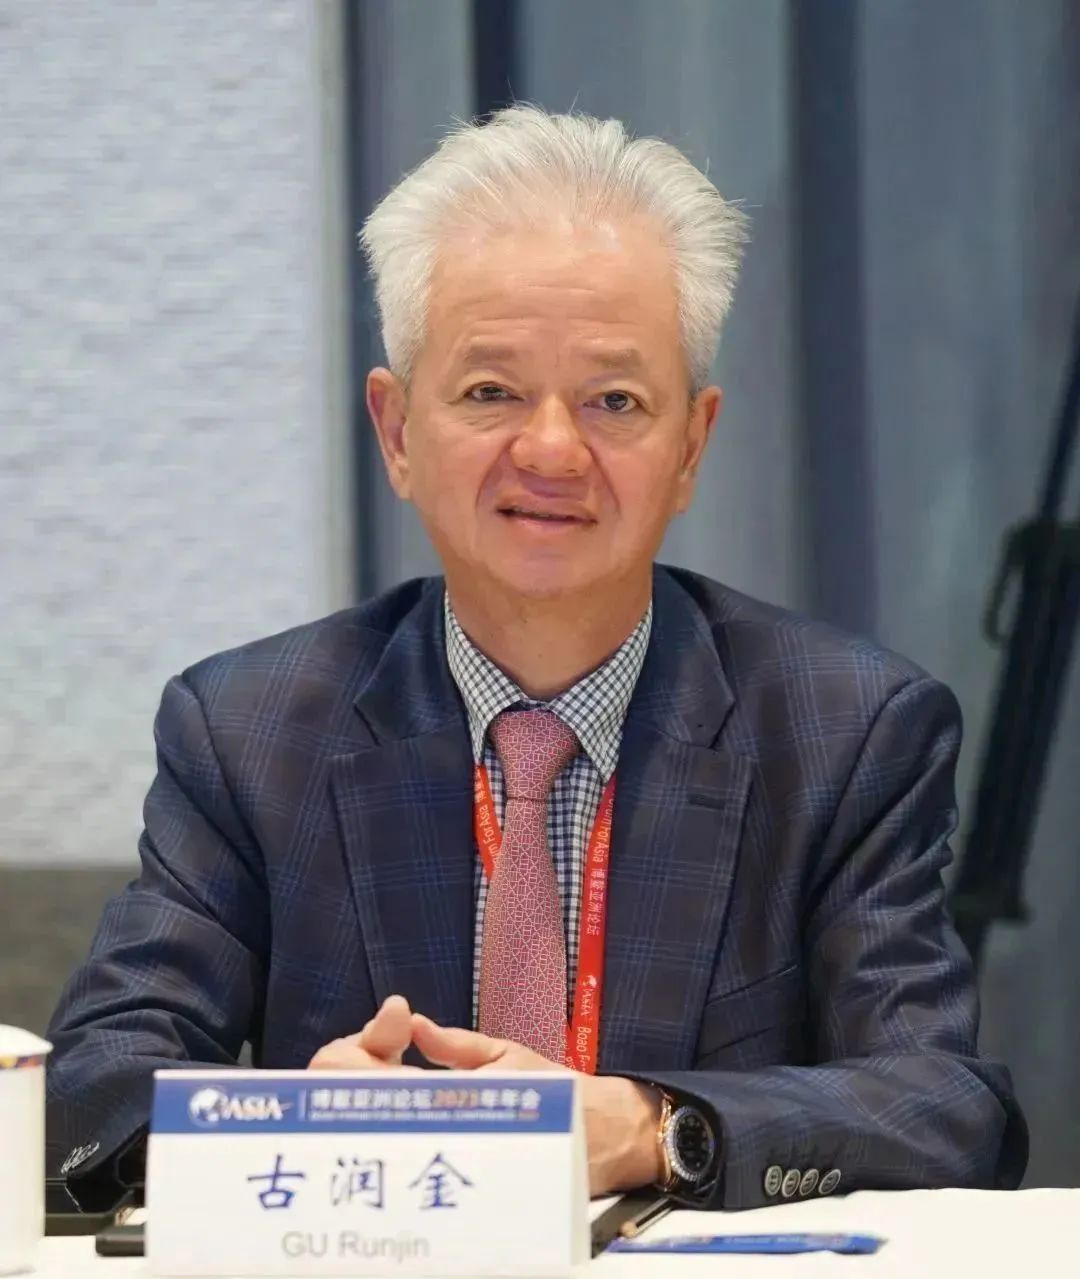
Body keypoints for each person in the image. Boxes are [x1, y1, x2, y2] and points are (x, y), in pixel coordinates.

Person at [46, 105, 1027, 1209]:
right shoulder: (251, 730)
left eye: (614, 400)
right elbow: (93, 1088)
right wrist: (301, 1125)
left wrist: (652, 1127)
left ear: (692, 443)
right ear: (397, 432)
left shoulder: (844, 730)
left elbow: (941, 1106)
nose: (553, 449)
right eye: (491, 392)